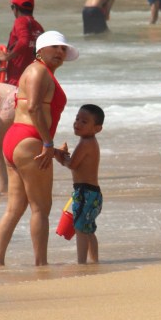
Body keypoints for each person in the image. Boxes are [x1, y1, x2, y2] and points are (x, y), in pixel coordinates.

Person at [0, 30, 79, 267]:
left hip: (16, 140)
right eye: (55, 47)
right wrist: (48, 144)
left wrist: (50, 144)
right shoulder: (39, 71)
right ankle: (41, 264)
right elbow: (34, 109)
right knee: (40, 208)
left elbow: (34, 111)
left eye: (63, 49)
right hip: (30, 141)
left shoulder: (34, 71)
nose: (60, 52)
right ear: (40, 50)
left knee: (15, 207)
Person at [53, 104, 104, 264]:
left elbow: (72, 164)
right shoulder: (90, 141)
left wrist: (57, 154)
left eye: (84, 121)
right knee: (88, 229)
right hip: (93, 192)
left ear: (97, 128)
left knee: (80, 229)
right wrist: (62, 157)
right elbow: (73, 164)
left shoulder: (86, 142)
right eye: (77, 119)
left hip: (85, 193)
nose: (78, 123)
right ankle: (94, 260)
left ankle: (82, 262)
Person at [0, 0, 44, 86]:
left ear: (15, 8)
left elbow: (24, 41)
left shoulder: (20, 21)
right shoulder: (39, 27)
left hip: (17, 80)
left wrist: (7, 57)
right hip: (33, 81)